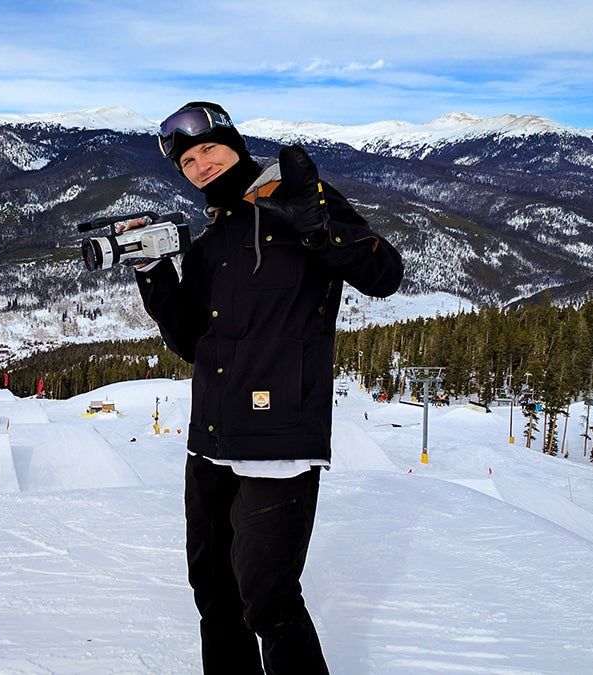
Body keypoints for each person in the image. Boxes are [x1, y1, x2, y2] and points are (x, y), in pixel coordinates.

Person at [133, 102, 404, 673]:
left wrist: (320, 227)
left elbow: (385, 276)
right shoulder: (211, 239)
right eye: (188, 161)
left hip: (278, 442)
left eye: (209, 149)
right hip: (210, 438)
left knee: (268, 601)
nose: (201, 164)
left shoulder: (299, 197)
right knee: (213, 592)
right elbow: (192, 341)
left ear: (234, 143)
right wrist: (154, 273)